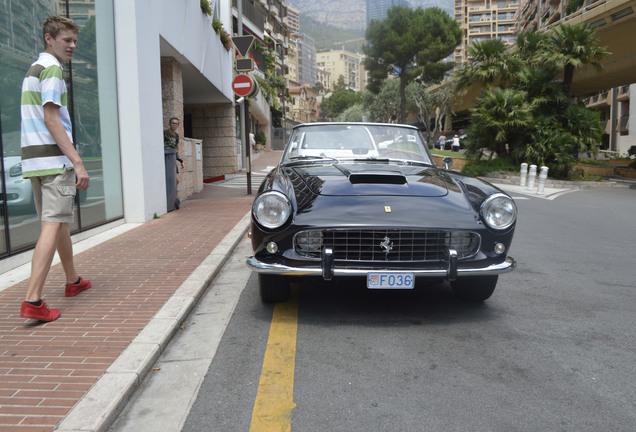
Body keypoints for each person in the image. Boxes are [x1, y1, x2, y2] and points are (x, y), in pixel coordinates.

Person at [19, 16, 91, 322]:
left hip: (36, 161)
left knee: (59, 222)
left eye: (74, 40)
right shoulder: (52, 69)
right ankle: (33, 300)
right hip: (54, 160)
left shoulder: (33, 69)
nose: (72, 46)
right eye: (66, 40)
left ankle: (72, 281)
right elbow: (51, 119)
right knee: (52, 225)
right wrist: (77, 162)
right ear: (49, 38)